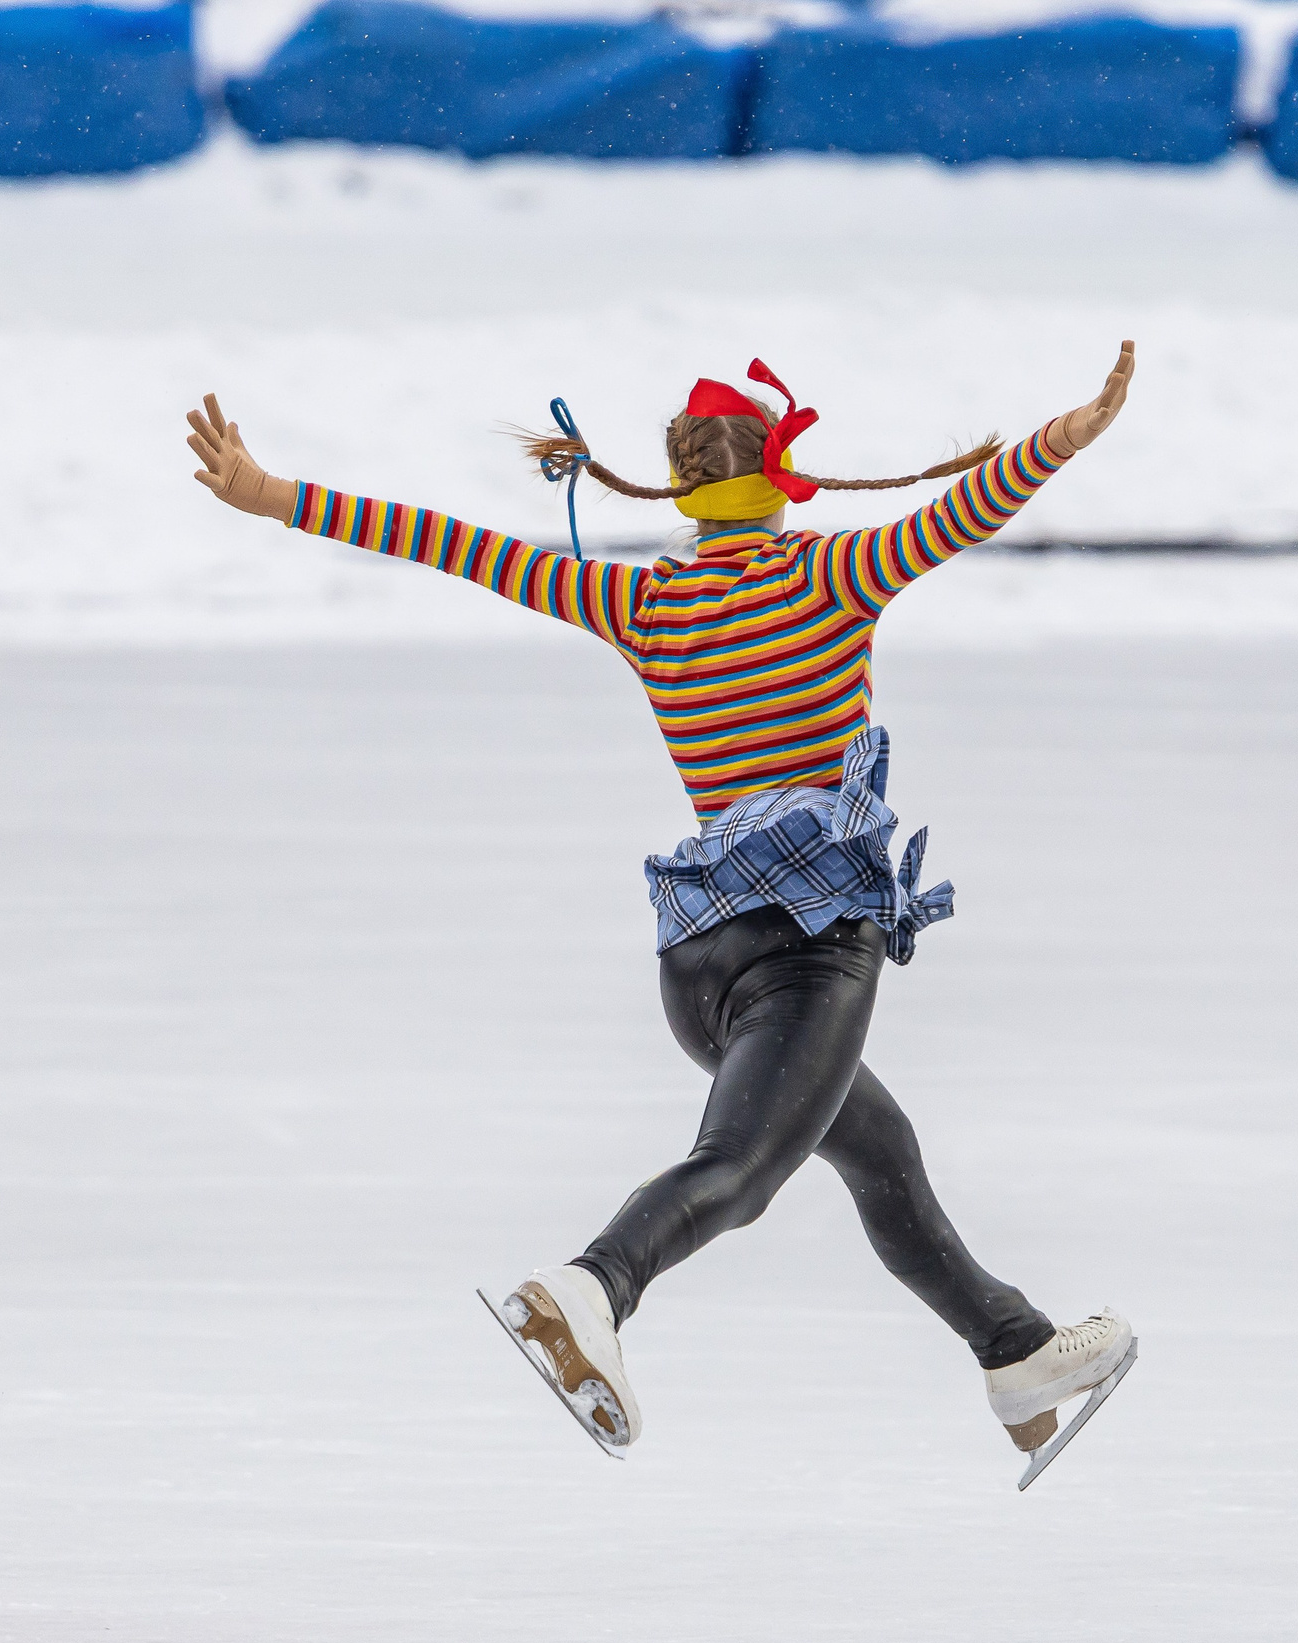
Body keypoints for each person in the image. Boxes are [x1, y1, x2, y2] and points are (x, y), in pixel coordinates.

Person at [184, 344, 1138, 1473]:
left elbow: (446, 542)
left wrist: (267, 495)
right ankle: (591, 1287)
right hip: (806, 949)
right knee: (737, 1169)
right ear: (783, 480)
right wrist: (1069, 433)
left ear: (684, 491)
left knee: (881, 1155)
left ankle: (1015, 1346)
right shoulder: (834, 575)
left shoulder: (633, 595)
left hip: (696, 960)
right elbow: (969, 506)